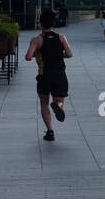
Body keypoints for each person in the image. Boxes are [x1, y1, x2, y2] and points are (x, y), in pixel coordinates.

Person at [25, 9, 71, 142]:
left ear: (41, 23)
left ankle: (50, 131)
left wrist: (37, 53)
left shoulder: (36, 40)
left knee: (44, 103)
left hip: (44, 75)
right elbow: (69, 54)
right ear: (53, 23)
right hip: (60, 75)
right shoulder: (61, 37)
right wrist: (58, 54)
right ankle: (58, 106)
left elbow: (28, 57)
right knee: (59, 100)